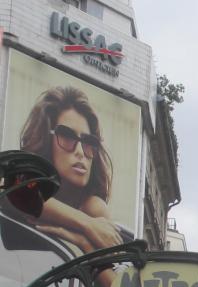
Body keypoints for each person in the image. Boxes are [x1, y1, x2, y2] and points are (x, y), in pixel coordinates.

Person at [17, 85, 122, 254]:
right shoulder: (20, 190)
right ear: (45, 139)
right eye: (67, 136)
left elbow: (118, 281)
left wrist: (84, 244)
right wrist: (86, 224)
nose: (80, 152)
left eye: (88, 142)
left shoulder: (93, 208)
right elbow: (13, 189)